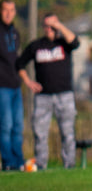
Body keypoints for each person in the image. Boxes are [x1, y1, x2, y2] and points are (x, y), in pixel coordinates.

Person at [15, 13, 80, 170]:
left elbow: (76, 42)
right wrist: (28, 82)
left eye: (53, 25)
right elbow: (19, 64)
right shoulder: (36, 46)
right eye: (47, 25)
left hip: (64, 95)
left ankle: (69, 164)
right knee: (40, 132)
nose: (49, 29)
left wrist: (59, 26)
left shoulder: (64, 43)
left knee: (67, 132)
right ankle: (41, 164)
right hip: (43, 97)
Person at [0, 0, 24, 171]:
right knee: (6, 125)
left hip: (16, 85)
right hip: (2, 86)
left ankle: (18, 160)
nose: (8, 13)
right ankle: (8, 161)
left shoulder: (15, 33)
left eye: (12, 9)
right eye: (5, 10)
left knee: (18, 125)